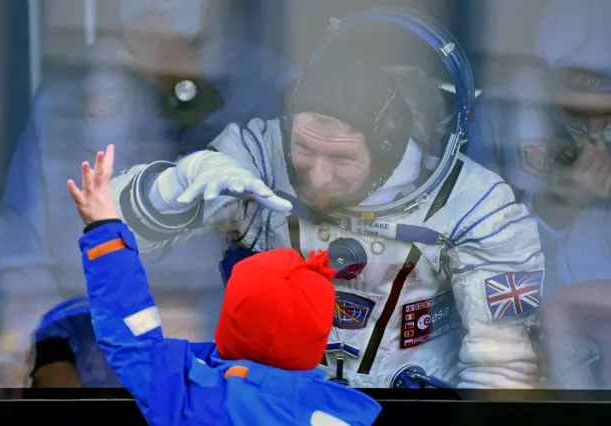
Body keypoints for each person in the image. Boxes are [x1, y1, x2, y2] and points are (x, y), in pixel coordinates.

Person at [104, 8, 545, 389]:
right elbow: (113, 228)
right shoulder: (259, 157)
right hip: (273, 402)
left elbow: (499, 367)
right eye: (306, 150)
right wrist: (172, 187)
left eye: (341, 157)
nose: (316, 175)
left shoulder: (476, 207)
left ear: (387, 148)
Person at [0, 0, 295, 385]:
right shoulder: (71, 87)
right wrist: (48, 355)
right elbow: (24, 241)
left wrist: (183, 86)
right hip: (93, 367)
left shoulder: (265, 83)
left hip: (214, 372)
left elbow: (276, 227)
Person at [67, 144, 381, 425]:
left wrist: (104, 230)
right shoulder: (348, 414)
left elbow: (131, 336)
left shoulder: (193, 400)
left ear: (230, 320)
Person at [466, 0, 611, 388]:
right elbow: (476, 257)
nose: (596, 128)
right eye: (581, 113)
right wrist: (558, 210)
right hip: (541, 345)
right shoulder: (504, 116)